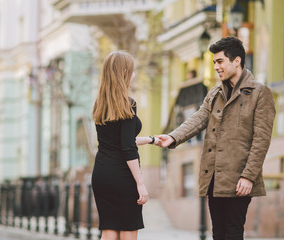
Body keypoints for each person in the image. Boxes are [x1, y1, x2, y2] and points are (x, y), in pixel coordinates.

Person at [157, 37, 276, 240]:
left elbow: (261, 140)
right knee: (218, 234)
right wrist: (172, 137)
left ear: (236, 61)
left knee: (233, 232)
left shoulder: (259, 93)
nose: (216, 67)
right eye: (214, 63)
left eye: (220, 61)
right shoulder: (214, 93)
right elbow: (198, 119)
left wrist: (248, 176)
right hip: (214, 178)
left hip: (239, 179)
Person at [92, 50, 160, 240]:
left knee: (109, 230)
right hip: (122, 175)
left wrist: (150, 139)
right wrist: (140, 183)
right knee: (128, 229)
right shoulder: (127, 104)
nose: (134, 74)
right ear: (123, 74)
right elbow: (127, 148)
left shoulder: (100, 105)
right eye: (131, 70)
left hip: (102, 175)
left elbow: (119, 141)